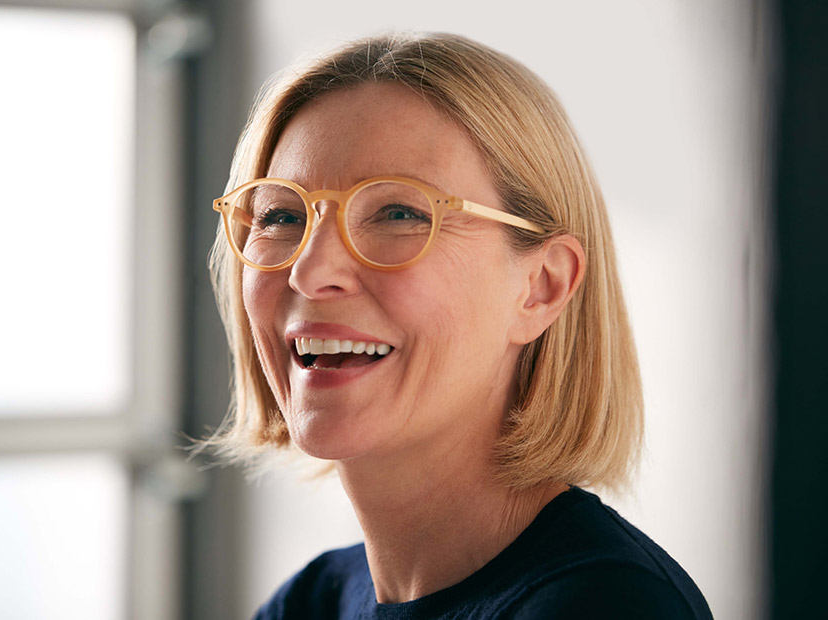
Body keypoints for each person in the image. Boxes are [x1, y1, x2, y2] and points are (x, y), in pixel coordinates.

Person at [205, 32, 714, 619]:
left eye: (399, 213)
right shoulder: (312, 601)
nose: (311, 271)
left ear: (541, 287)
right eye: (280, 216)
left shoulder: (605, 606)